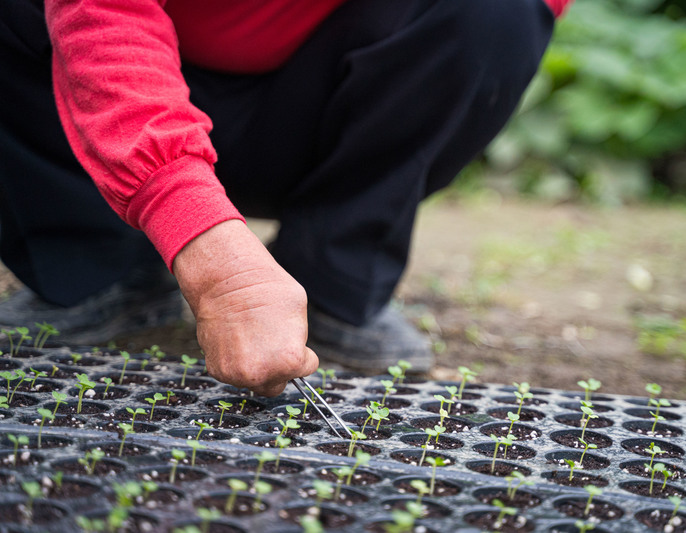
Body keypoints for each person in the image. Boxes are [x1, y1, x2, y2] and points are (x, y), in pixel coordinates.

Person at [0, 0, 571, 396]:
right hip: (110, 98)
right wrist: (207, 251)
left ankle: (334, 281)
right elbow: (103, 19)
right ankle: (99, 268)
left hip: (319, 108)